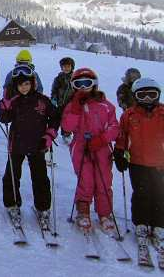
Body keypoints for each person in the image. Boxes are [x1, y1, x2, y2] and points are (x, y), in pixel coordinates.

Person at [0, 64, 59, 228]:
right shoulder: (15, 101)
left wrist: (49, 136)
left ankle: (43, 209)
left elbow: (55, 118)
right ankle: (12, 205)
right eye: (20, 85)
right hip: (16, 144)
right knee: (11, 176)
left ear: (32, 83)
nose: (23, 88)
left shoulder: (42, 100)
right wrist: (4, 107)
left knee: (40, 178)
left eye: (26, 84)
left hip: (37, 145)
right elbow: (5, 120)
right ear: (15, 86)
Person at [61, 68, 119, 234]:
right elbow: (67, 127)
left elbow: (114, 127)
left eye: (87, 83)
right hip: (81, 147)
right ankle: (83, 211)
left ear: (94, 84)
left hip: (101, 148)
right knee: (85, 181)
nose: (83, 87)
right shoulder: (72, 106)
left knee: (104, 182)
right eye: (79, 84)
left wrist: (102, 139)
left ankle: (104, 214)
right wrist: (76, 109)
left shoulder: (106, 106)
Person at [114, 77, 164, 263]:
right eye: (143, 95)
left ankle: (159, 224)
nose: (148, 99)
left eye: (152, 95)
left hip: (160, 162)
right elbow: (122, 136)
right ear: (135, 96)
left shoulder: (162, 113)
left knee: (159, 194)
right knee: (142, 193)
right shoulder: (129, 115)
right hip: (138, 162)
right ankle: (141, 223)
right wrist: (120, 152)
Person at [50, 57, 75, 143]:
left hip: (71, 104)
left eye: (68, 66)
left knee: (68, 120)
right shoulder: (59, 78)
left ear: (72, 67)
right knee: (57, 118)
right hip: (60, 103)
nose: (66, 68)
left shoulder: (75, 78)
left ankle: (66, 134)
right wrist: (53, 98)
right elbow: (54, 90)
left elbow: (78, 90)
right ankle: (52, 133)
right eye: (64, 67)